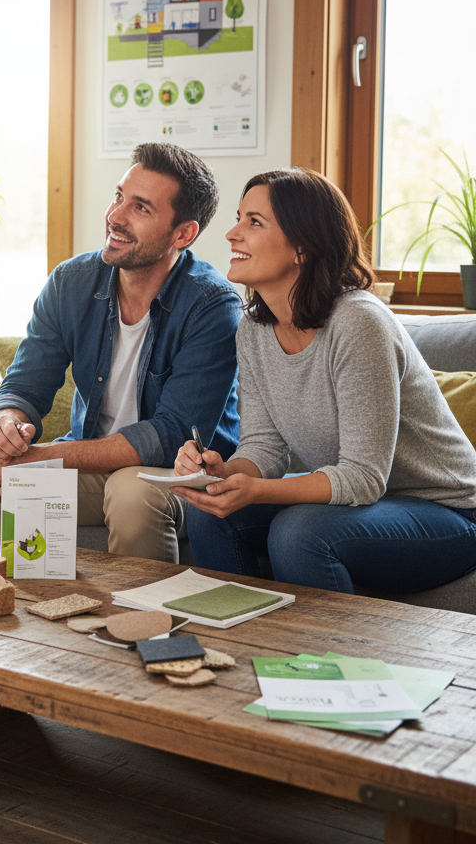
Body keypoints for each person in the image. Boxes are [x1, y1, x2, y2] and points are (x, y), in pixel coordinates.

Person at [172, 168, 476, 593]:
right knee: (211, 510)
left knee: (299, 532)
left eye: (253, 222)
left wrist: (256, 489)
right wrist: (222, 472)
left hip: (447, 513)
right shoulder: (254, 330)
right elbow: (264, 447)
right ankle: (238, 647)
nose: (231, 234)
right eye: (239, 218)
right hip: (367, 506)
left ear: (303, 247)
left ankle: (327, 660)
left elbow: (364, 478)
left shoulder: (358, 322)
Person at [0, 142, 241, 561]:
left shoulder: (212, 305)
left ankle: (144, 623)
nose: (116, 216)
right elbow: (25, 384)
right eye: (119, 197)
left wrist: (46, 456)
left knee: (131, 491)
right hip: (93, 456)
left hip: (178, 474)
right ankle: (8, 611)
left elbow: (169, 435)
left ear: (184, 233)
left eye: (141, 208)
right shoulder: (71, 282)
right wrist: (4, 424)